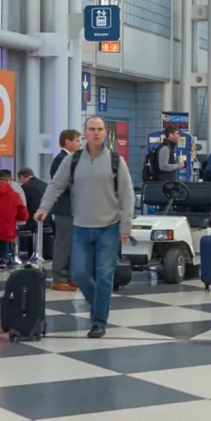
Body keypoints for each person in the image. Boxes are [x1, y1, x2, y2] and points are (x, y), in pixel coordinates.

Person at [35, 115, 135, 338]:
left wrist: (125, 226)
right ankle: (99, 304)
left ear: (106, 133)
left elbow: (127, 196)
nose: (96, 133)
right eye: (91, 129)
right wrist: (44, 207)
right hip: (80, 226)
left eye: (100, 129)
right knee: (79, 274)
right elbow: (55, 185)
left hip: (109, 227)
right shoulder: (72, 160)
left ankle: (98, 321)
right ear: (85, 133)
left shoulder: (116, 162)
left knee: (104, 274)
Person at [47, 129, 81, 291]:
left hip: (74, 209)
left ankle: (68, 276)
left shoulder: (71, 159)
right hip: (64, 209)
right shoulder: (60, 160)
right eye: (76, 140)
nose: (79, 144)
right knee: (63, 244)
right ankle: (59, 278)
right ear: (67, 142)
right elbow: (62, 183)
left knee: (72, 244)